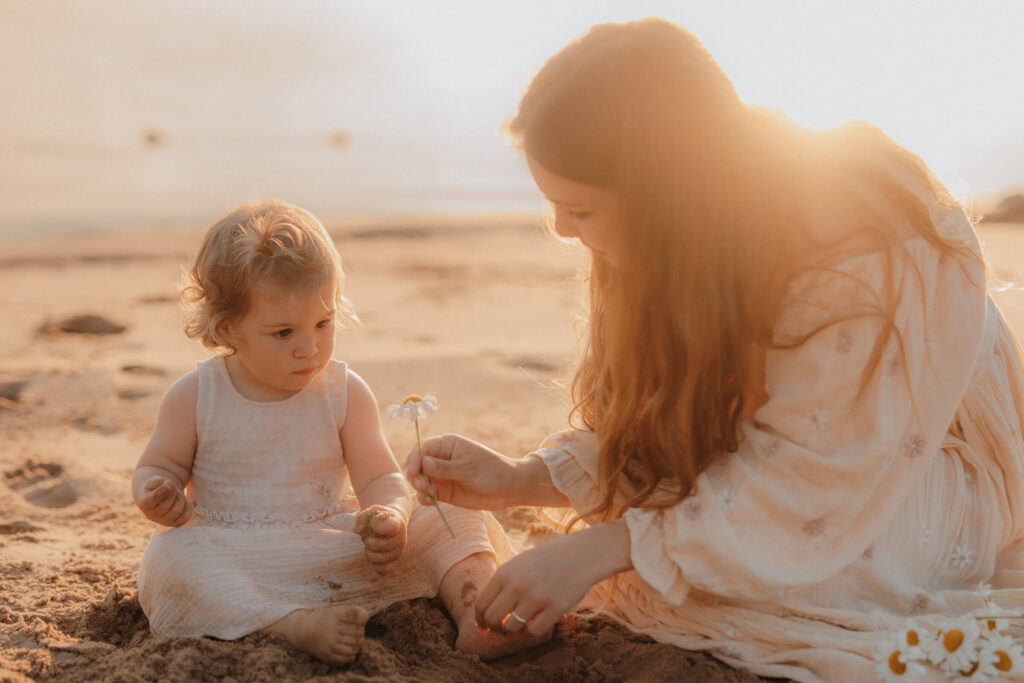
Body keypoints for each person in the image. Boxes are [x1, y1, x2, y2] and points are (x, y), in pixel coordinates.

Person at [405, 17, 1024, 682]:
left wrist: (606, 547)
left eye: (581, 211)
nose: (560, 229)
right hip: (802, 454)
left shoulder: (854, 252)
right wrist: (522, 477)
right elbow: (679, 422)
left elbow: (810, 476)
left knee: (756, 584)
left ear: (664, 197)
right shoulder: (676, 242)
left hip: (911, 467)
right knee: (665, 551)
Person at [133, 198, 532, 665]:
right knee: (172, 561)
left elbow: (380, 476)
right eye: (283, 333)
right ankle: (291, 625)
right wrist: (156, 494)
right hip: (237, 552)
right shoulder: (196, 395)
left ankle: (479, 615)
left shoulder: (343, 392)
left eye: (323, 324)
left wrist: (391, 515)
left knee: (449, 511)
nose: (310, 348)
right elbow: (157, 467)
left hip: (330, 546)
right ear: (228, 328)